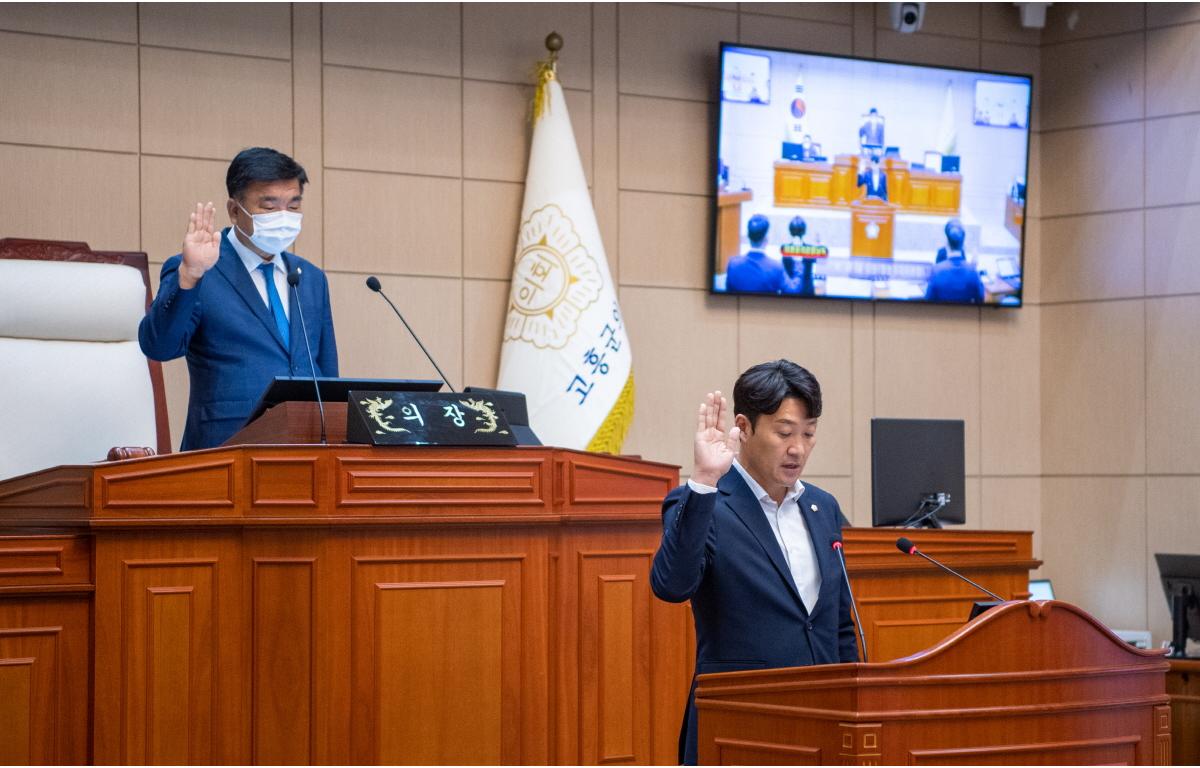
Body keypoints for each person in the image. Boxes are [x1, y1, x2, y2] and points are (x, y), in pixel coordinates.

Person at [651, 360, 859, 765]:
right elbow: (671, 586)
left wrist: (859, 707)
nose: (798, 447)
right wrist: (704, 482)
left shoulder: (823, 508)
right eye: (784, 432)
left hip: (824, 724)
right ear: (743, 428)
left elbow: (838, 625)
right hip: (741, 726)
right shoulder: (703, 503)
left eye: (809, 433)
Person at [139, 147, 338, 451]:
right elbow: (159, 346)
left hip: (307, 451)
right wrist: (189, 276)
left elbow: (327, 372)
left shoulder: (310, 278)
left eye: (293, 206)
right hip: (226, 451)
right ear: (234, 210)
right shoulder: (199, 269)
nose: (284, 217)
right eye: (269, 207)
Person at [725, 215, 796, 294]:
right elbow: (792, 291)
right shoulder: (776, 267)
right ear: (766, 239)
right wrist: (799, 269)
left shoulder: (733, 264)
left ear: (748, 236)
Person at [925, 219, 985, 303]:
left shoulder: (936, 271)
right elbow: (980, 299)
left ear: (947, 244)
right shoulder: (973, 272)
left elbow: (928, 300)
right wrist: (973, 268)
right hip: (966, 315)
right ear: (962, 244)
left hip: (941, 315)